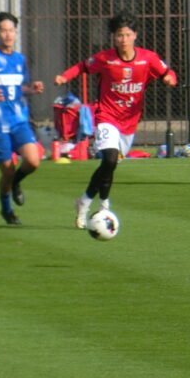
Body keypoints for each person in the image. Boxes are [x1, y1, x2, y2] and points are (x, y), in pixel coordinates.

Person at [56, 13, 177, 228]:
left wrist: (170, 79)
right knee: (110, 159)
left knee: (109, 166)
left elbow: (168, 73)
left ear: (135, 35)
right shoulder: (105, 59)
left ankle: (84, 201)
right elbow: (82, 66)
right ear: (114, 37)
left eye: (128, 35)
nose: (123, 39)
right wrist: (64, 76)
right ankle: (102, 206)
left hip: (129, 123)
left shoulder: (148, 58)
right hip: (106, 117)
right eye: (119, 35)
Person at [0, 12, 45, 226]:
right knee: (8, 170)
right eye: (3, 30)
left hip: (19, 120)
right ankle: (7, 210)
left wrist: (31, 89)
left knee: (33, 161)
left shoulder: (20, 59)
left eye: (11, 30)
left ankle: (16, 184)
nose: (8, 34)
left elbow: (18, 88)